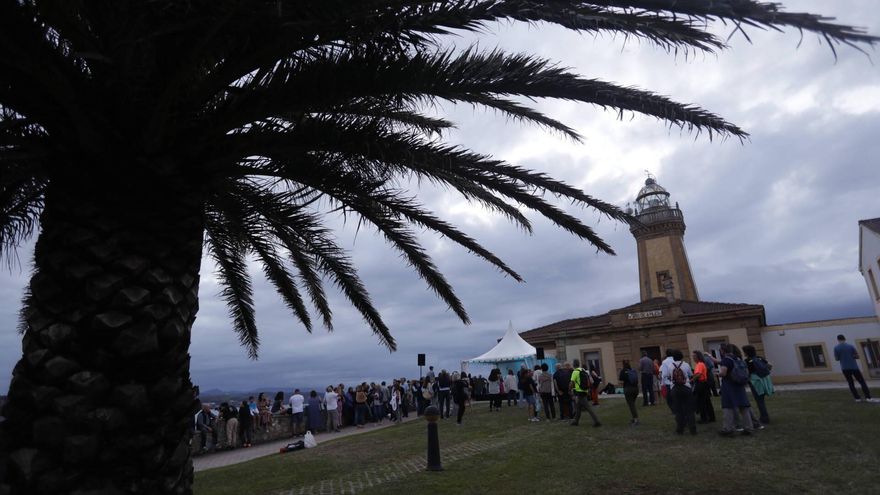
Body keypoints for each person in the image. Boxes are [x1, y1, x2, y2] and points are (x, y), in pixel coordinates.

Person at [718, 343, 755, 436]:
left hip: (729, 385)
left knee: (728, 407)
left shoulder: (726, 360)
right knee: (744, 407)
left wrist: (717, 374)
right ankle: (749, 428)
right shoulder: (737, 358)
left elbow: (723, 373)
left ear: (722, 351)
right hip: (739, 384)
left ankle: (727, 428)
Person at [834, 334, 875, 402]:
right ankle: (868, 397)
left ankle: (857, 398)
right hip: (854, 367)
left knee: (850, 383)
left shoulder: (836, 348)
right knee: (862, 382)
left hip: (845, 368)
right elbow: (857, 356)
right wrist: (852, 356)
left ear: (838, 340)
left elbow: (837, 358)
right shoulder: (850, 346)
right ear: (844, 339)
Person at [743, 345, 774, 424]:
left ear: (746, 352)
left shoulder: (747, 361)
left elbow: (747, 372)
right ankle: (764, 416)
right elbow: (770, 365)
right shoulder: (759, 358)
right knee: (761, 400)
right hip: (764, 381)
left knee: (759, 401)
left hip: (755, 382)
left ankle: (764, 418)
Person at [669, 350, 696, 435]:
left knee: (678, 410)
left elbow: (667, 376)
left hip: (675, 388)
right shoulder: (686, 365)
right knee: (689, 410)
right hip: (686, 387)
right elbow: (690, 374)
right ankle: (693, 429)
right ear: (681, 357)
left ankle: (680, 429)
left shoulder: (670, 366)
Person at [569, 359, 601, 427]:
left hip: (579, 392)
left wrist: (569, 389)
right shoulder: (582, 370)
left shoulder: (575, 372)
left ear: (573, 365)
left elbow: (572, 383)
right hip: (585, 390)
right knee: (578, 408)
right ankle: (576, 421)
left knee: (588, 408)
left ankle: (597, 421)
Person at [692, 350, 716, 424]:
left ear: (698, 357)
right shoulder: (702, 364)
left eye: (694, 356)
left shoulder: (699, 364)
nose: (693, 358)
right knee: (707, 401)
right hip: (704, 384)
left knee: (701, 401)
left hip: (701, 384)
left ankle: (704, 418)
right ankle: (711, 417)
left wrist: (691, 380)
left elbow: (698, 374)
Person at [619, 360, 639, 426]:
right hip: (636, 389)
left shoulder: (623, 371)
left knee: (631, 405)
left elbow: (620, 378)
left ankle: (636, 419)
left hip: (628, 389)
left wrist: (621, 371)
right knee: (632, 404)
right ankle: (634, 418)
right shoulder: (633, 370)